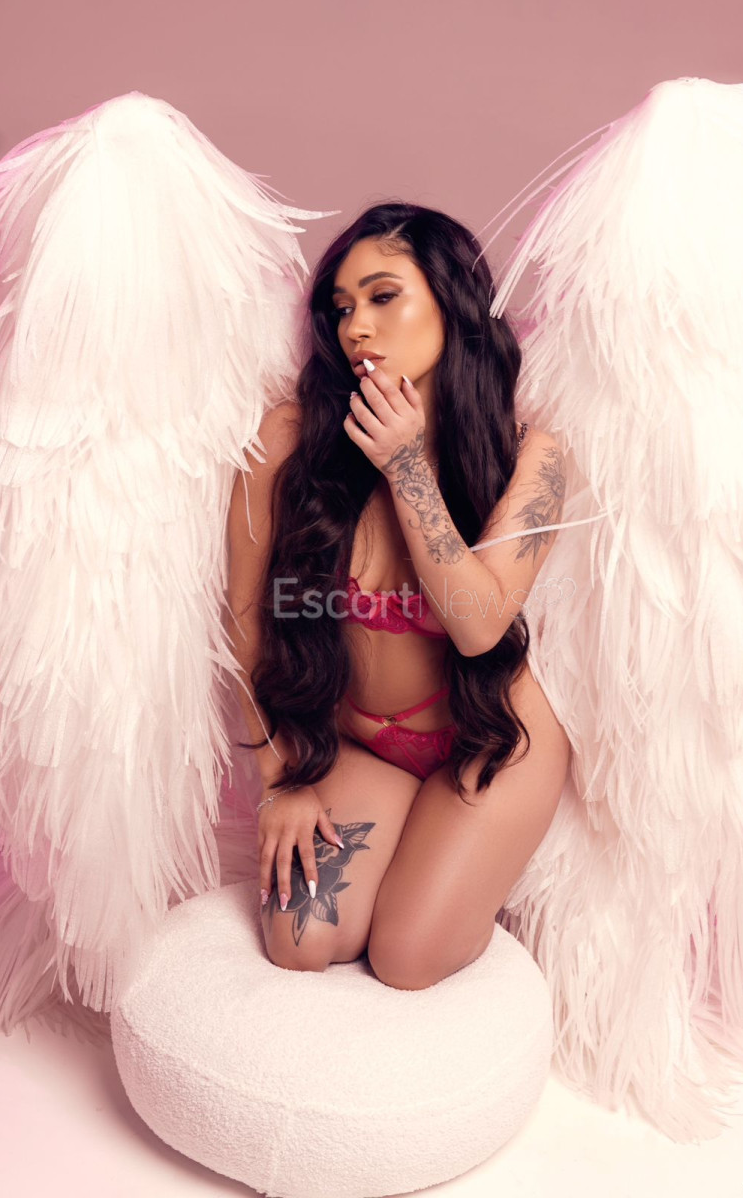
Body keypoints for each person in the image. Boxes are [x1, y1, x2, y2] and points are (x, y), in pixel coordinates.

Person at [224, 202, 572, 985]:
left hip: (489, 741)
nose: (356, 327)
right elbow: (244, 622)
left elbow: (478, 627)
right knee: (302, 942)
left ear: (451, 304)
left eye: (383, 297)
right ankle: (418, 841)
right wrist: (281, 780)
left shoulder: (535, 460)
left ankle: (452, 864)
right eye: (341, 308)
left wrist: (406, 466)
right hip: (361, 744)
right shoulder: (287, 440)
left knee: (406, 960)